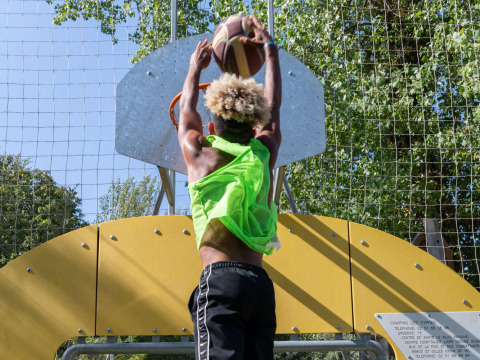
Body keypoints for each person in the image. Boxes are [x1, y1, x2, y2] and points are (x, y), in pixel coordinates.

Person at [177, 15, 281, 360]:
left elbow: (187, 111)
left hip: (222, 283)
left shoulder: (201, 157)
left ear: (210, 126)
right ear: (255, 127)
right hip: (260, 288)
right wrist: (270, 53)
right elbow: (275, 110)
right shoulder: (262, 154)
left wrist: (196, 68)